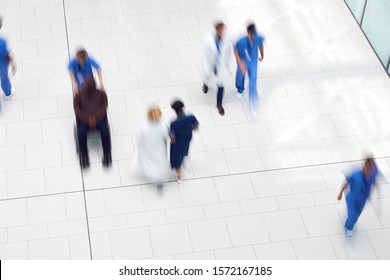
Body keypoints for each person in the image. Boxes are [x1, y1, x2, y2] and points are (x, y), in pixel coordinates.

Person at [337, 156, 379, 237]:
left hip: (362, 200)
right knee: (353, 216)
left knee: (357, 214)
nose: (371, 170)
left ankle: (350, 219)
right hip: (352, 199)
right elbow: (346, 182)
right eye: (369, 168)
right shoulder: (356, 174)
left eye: (372, 168)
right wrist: (340, 193)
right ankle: (348, 227)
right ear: (365, 166)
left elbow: (374, 182)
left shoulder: (372, 174)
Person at [74, 78, 111, 168]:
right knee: (81, 134)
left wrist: (95, 118)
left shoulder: (101, 94)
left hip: (99, 118)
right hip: (84, 119)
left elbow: (104, 107)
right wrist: (88, 118)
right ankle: (84, 155)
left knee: (105, 132)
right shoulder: (78, 95)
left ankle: (107, 154)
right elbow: (77, 110)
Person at [201, 21, 233, 116]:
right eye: (219, 29)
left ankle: (219, 104)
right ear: (215, 29)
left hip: (220, 67)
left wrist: (229, 67)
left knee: (221, 86)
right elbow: (204, 56)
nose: (220, 31)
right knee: (207, 77)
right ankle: (205, 84)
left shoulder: (227, 40)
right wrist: (206, 68)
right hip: (210, 65)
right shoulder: (208, 40)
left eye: (222, 29)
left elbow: (229, 54)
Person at [134, 106, 170, 188]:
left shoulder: (143, 125)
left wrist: (139, 145)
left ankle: (149, 174)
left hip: (147, 147)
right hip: (160, 147)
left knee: (148, 162)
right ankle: (159, 179)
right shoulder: (163, 125)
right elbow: (167, 136)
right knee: (159, 162)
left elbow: (139, 137)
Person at [234, 23, 264, 116]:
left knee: (252, 83)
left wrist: (262, 54)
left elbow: (260, 44)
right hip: (243, 63)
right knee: (240, 77)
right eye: (252, 34)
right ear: (248, 33)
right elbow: (235, 51)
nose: (253, 36)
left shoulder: (258, 38)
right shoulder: (241, 41)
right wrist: (240, 63)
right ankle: (240, 89)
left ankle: (253, 105)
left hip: (253, 63)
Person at [170, 100, 199, 183]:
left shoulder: (173, 123)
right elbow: (196, 128)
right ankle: (184, 167)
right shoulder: (191, 117)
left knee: (176, 159)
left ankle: (180, 178)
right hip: (188, 138)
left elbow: (173, 137)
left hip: (178, 143)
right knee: (184, 153)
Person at [0, 16, 16, 110]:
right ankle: (8, 92)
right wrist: (13, 64)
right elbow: (7, 54)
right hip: (2, 65)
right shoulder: (2, 41)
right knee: (4, 78)